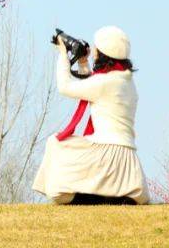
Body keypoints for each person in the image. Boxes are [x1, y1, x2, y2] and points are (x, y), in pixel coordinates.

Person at [32, 25, 150, 205]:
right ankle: (107, 194)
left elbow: (65, 87)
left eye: (97, 48)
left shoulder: (106, 82)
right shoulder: (125, 81)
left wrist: (63, 54)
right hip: (126, 156)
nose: (94, 51)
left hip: (106, 152)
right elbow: (94, 86)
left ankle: (84, 195)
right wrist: (83, 62)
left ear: (104, 53)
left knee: (55, 143)